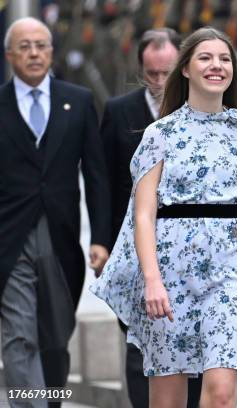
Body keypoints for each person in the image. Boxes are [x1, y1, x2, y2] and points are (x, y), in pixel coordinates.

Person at [91, 27, 237, 407]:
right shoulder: (160, 133)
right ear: (185, 69)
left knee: (221, 394)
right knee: (167, 400)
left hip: (231, 275)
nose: (216, 65)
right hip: (170, 276)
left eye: (224, 59)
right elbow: (142, 215)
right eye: (205, 57)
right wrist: (152, 280)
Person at [0, 17, 110, 405]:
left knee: (55, 337)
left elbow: (96, 175)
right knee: (18, 335)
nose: (33, 53)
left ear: (51, 52)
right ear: (9, 55)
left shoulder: (77, 100)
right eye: (24, 46)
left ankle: (51, 399)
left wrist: (100, 238)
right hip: (9, 239)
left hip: (61, 237)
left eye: (40, 45)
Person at [100, 28, 204, 408]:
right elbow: (104, 182)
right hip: (132, 246)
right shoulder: (119, 111)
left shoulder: (203, 111)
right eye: (152, 74)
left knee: (192, 346)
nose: (160, 81)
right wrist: (101, 243)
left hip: (191, 249)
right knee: (137, 344)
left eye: (167, 72)